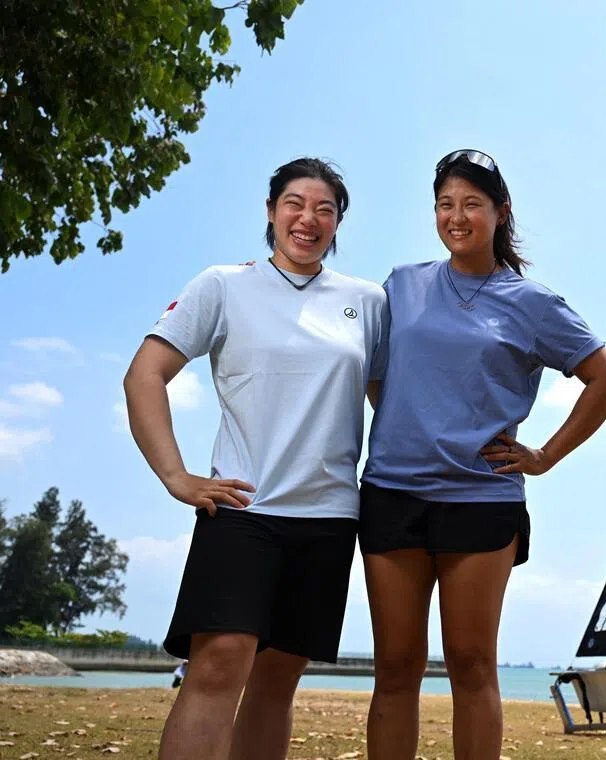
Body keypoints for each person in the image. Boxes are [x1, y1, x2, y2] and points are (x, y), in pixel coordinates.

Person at [358, 149, 606, 760]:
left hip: (481, 499)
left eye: (472, 205)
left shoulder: (530, 302)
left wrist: (545, 455)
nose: (457, 217)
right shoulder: (401, 285)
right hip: (392, 494)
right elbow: (377, 375)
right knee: (395, 668)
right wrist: (413, 418)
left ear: (501, 213)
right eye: (445, 205)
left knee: (472, 665)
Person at [123, 157, 388, 760]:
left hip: (329, 518)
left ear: (338, 223)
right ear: (271, 212)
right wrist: (177, 476)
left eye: (325, 209)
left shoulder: (367, 301)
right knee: (218, 665)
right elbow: (145, 376)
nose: (308, 219)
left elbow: (392, 402)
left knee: (277, 680)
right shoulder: (222, 285)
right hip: (243, 507)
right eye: (295, 203)